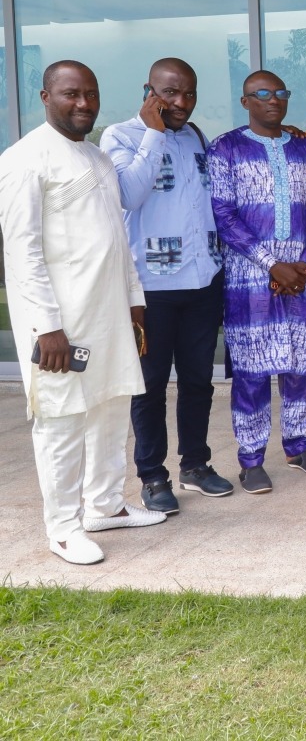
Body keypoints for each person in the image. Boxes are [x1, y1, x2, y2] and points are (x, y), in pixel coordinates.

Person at [0, 61, 167, 564]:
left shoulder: (96, 158)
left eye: (90, 94)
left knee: (112, 410)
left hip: (110, 313)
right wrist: (45, 326)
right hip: (61, 324)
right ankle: (64, 527)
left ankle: (106, 505)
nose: (84, 104)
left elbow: (116, 238)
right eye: (71, 94)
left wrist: (135, 300)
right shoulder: (25, 159)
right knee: (62, 421)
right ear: (46, 96)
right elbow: (21, 251)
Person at [100, 58, 232, 513]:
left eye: (189, 94)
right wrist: (154, 132)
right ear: (149, 91)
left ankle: (195, 465)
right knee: (150, 386)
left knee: (198, 381)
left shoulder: (195, 136)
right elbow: (129, 195)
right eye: (171, 93)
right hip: (151, 288)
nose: (181, 103)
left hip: (201, 280)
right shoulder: (120, 137)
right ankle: (153, 477)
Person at [208, 71, 306, 493]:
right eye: (262, 94)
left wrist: (303, 260)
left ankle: (299, 447)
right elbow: (224, 216)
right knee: (253, 370)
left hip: (303, 273)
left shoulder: (305, 148)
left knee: (302, 366)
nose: (273, 100)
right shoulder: (225, 148)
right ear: (245, 101)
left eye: (280, 93)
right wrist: (270, 263)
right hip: (250, 277)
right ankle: (251, 459)